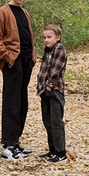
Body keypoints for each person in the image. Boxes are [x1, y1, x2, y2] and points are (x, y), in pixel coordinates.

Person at [0, 0, 36, 160]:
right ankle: (8, 145)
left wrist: (32, 57)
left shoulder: (24, 13)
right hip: (13, 61)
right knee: (11, 102)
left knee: (21, 102)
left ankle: (16, 141)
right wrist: (9, 57)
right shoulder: (3, 12)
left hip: (26, 60)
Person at [36, 24, 68, 163]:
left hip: (55, 91)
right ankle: (52, 150)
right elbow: (44, 69)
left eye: (49, 37)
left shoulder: (59, 49)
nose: (46, 40)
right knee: (47, 121)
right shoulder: (47, 50)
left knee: (56, 122)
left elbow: (55, 71)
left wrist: (49, 87)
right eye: (44, 37)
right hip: (44, 91)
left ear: (58, 37)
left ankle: (60, 152)